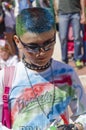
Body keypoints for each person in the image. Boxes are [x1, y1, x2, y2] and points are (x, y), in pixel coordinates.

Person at [0, 7, 86, 130]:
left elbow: (83, 113)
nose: (41, 53)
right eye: (32, 46)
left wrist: (76, 127)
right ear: (17, 41)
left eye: (49, 44)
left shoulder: (67, 74)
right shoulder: (5, 77)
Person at [58, 0, 86, 68]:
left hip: (76, 13)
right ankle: (64, 60)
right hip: (63, 13)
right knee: (63, 38)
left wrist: (83, 14)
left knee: (77, 38)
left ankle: (77, 59)